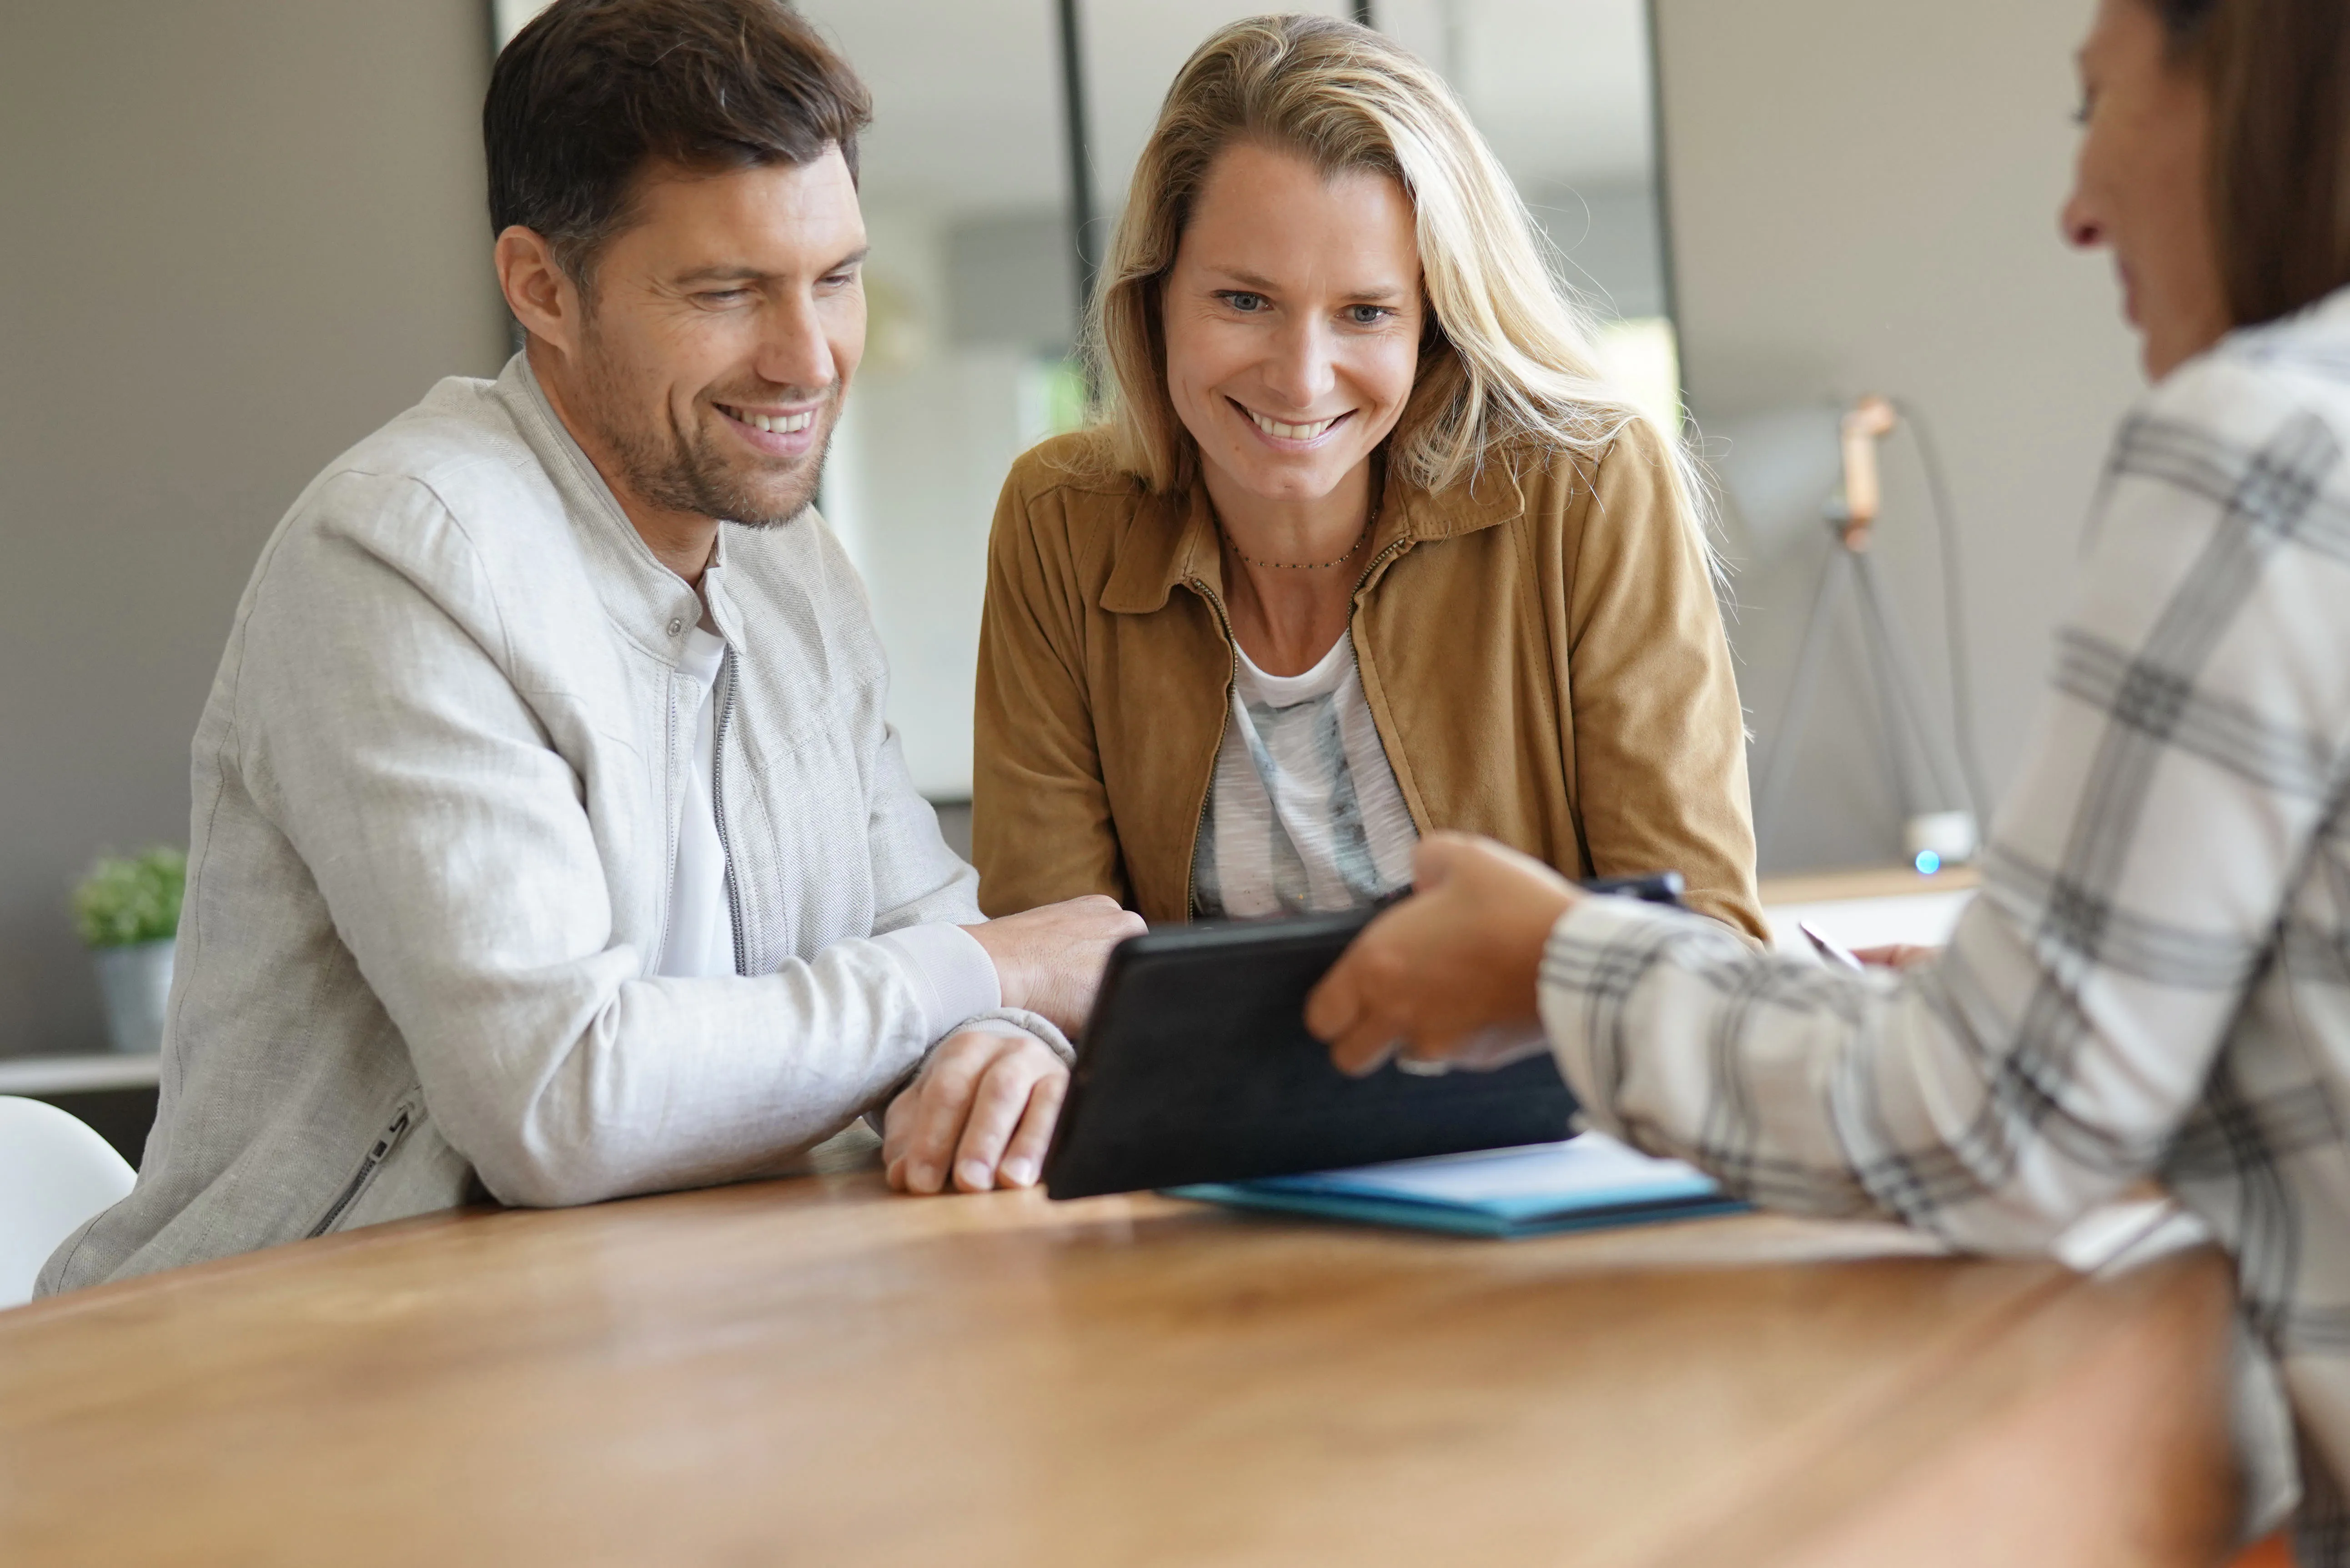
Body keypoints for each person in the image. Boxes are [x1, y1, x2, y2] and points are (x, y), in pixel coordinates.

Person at [1307, 0, 2350, 1553]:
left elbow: (1998, 1120)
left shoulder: (2264, 447)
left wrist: (1554, 959)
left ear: (2240, 92)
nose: (2076, 206)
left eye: (2093, 109)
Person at [39, 0, 1143, 1295]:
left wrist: (1002, 1045)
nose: (810, 358)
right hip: (288, 1354)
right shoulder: (398, 556)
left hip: (659, 1332)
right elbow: (560, 1100)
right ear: (541, 288)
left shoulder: (790, 564)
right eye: (729, 292)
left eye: (836, 278)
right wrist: (995, 972)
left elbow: (916, 921)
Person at [925, 16, 1763, 1192]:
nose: (1302, 377)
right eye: (1244, 301)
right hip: (1205, 1176)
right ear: (1156, 296)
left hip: (1544, 1157)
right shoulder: (1063, 519)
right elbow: (1053, 959)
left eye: (1365, 312)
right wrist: (1006, 1049)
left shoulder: (1586, 482)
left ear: (1432, 322)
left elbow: (1700, 938)